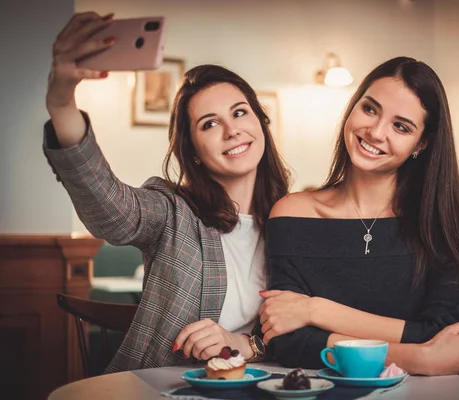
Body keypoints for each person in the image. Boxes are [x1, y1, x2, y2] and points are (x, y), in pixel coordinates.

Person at [45, 12, 289, 372]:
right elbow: (109, 210)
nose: (231, 130)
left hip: (263, 386)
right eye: (209, 124)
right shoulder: (172, 211)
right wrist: (61, 101)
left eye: (240, 113)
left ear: (261, 123)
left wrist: (248, 345)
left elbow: (306, 329)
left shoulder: (294, 220)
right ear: (193, 152)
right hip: (162, 387)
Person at [258, 57, 459, 376]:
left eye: (400, 126)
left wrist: (316, 310)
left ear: (420, 143)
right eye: (370, 109)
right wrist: (417, 358)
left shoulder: (447, 222)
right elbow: (287, 341)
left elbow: (450, 336)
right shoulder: (291, 213)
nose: (376, 132)